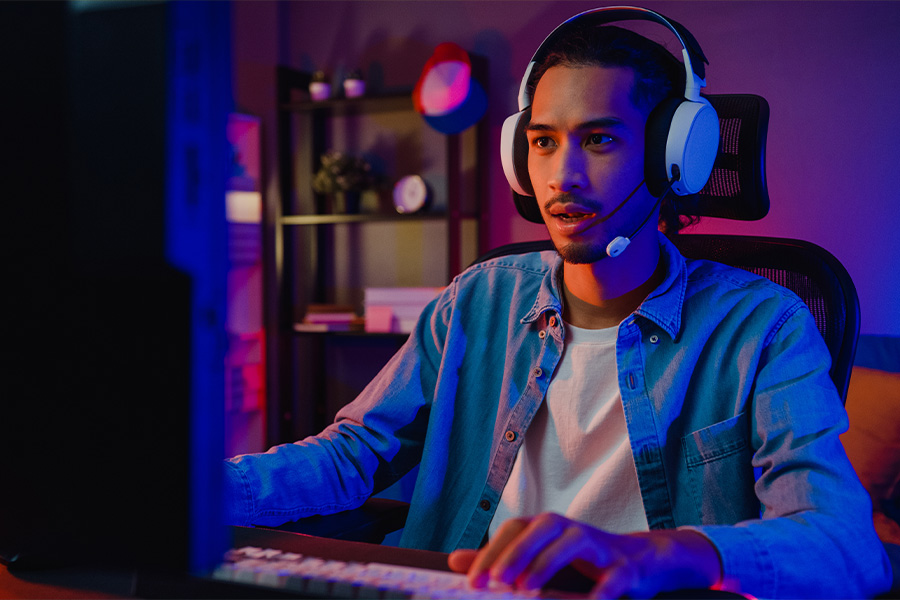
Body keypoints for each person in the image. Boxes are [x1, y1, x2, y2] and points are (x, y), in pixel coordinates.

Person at [224, 8, 891, 598]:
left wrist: (660, 554)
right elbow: (352, 455)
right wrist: (195, 489)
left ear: (673, 158)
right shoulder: (478, 299)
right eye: (543, 141)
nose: (561, 176)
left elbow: (847, 550)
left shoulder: (762, 326)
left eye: (599, 139)